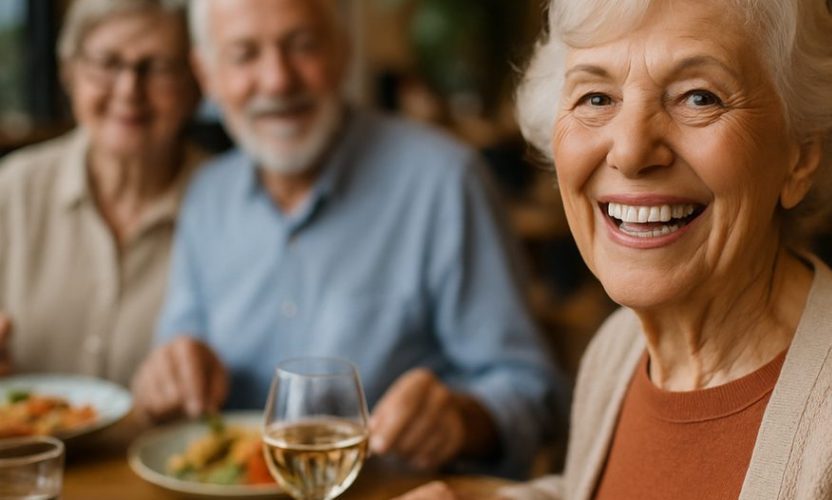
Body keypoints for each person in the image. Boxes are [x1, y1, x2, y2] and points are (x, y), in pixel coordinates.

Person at [404, 0, 832, 498]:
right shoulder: (620, 349)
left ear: (800, 154)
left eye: (699, 96)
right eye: (597, 97)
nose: (630, 151)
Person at [129, 0, 563, 478]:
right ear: (206, 74)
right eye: (244, 54)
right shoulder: (206, 196)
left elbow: (535, 395)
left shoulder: (443, 181)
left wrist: (462, 419)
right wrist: (169, 375)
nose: (277, 80)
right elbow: (176, 356)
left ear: (343, 50)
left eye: (302, 45)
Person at [0, 0, 202, 386]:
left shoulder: (232, 206)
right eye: (107, 63)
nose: (129, 90)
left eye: (158, 67)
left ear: (195, 83)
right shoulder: (11, 192)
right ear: (69, 72)